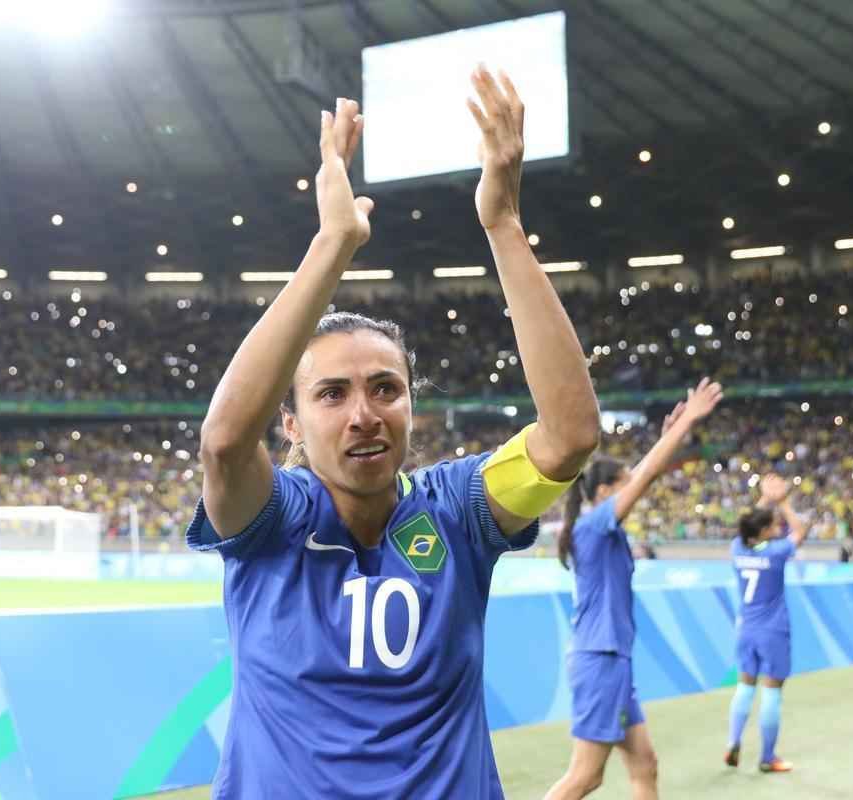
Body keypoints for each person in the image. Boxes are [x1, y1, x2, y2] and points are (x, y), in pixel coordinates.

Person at [187, 68, 600, 799]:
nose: (363, 414)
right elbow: (223, 441)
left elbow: (568, 436)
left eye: (386, 388)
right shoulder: (268, 518)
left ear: (413, 405)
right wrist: (335, 241)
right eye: (331, 394)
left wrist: (503, 223)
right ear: (291, 423)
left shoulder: (459, 510)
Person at [544, 379, 724, 800]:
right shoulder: (593, 526)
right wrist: (685, 426)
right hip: (600, 658)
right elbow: (648, 474)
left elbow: (646, 475)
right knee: (585, 776)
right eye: (624, 485)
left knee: (645, 765)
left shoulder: (604, 531)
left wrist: (666, 439)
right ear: (605, 493)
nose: (635, 491)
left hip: (613, 659)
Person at [724, 473, 809, 773]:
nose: (779, 527)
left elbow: (748, 525)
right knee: (772, 690)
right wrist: (782, 501)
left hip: (745, 629)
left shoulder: (737, 549)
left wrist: (765, 500)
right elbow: (800, 529)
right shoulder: (777, 552)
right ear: (763, 532)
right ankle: (768, 757)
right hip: (773, 631)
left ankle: (732, 741)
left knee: (745, 686)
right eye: (773, 525)